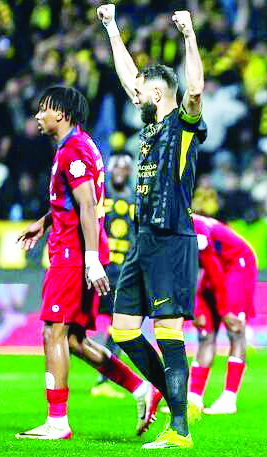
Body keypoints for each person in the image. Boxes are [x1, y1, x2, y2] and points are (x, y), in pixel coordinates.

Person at [15, 86, 161, 440]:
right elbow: (72, 202)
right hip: (75, 251)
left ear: (61, 114)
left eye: (43, 109)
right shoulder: (78, 146)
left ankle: (57, 421)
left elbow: (87, 207)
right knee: (74, 340)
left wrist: (91, 260)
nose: (38, 116)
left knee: (53, 332)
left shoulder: (74, 150)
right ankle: (141, 389)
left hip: (72, 255)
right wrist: (45, 222)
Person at [97, 4, 206, 450]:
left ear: (157, 94)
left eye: (140, 92)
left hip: (171, 239)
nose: (133, 95)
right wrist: (111, 28)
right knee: (123, 330)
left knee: (167, 331)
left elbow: (194, 89)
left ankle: (179, 429)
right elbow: (129, 78)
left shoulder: (181, 125)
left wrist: (189, 35)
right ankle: (173, 396)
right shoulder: (150, 127)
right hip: (144, 241)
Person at [184, 214, 257, 414]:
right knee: (205, 332)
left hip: (237, 265)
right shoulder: (174, 227)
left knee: (235, 330)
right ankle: (194, 398)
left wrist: (224, 311)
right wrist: (196, 309)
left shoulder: (197, 229)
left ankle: (229, 399)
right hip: (213, 269)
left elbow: (213, 269)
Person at [91, 153, 135, 399]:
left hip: (123, 273)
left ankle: (103, 380)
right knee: (75, 323)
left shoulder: (136, 199)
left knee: (119, 324)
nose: (121, 170)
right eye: (117, 166)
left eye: (125, 167)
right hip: (98, 269)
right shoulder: (99, 196)